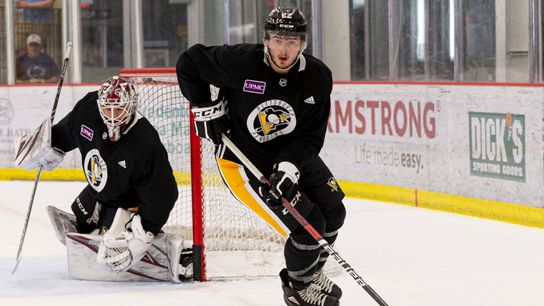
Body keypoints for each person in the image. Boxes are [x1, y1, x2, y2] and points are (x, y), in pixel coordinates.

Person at [177, 7, 346, 306]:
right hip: (244, 162)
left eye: (292, 41)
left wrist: (290, 167)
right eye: (278, 39)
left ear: (303, 44)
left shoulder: (318, 77)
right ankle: (297, 289)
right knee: (309, 228)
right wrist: (202, 106)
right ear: (266, 39)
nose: (284, 49)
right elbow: (190, 62)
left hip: (290, 154)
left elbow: (310, 136)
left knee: (334, 212)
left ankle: (309, 272)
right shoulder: (241, 63)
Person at [14, 76, 189, 281]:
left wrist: (146, 230)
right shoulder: (87, 111)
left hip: (129, 203)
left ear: (131, 106)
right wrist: (49, 145)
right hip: (100, 192)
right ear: (99, 105)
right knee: (79, 211)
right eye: (108, 109)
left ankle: (133, 232)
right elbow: (69, 130)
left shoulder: (144, 141)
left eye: (119, 110)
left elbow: (163, 192)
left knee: (115, 242)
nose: (113, 116)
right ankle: (99, 222)